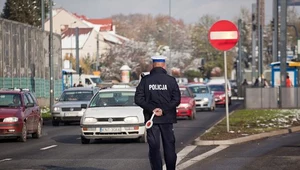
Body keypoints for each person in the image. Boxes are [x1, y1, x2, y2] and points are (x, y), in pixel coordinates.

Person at [134, 55, 181, 170]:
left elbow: (138, 99)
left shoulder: (145, 80)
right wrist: (163, 110)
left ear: (152, 65)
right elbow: (176, 100)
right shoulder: (171, 80)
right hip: (167, 119)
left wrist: (152, 109)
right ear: (164, 65)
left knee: (154, 148)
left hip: (151, 119)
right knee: (169, 146)